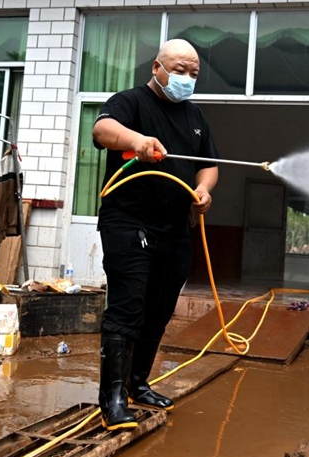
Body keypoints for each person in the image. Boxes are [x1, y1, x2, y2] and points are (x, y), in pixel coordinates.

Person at [92, 39, 219, 430]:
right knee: (128, 307)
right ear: (157, 68)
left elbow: (209, 165)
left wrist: (204, 191)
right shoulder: (130, 102)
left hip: (174, 229)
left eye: (193, 74)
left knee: (159, 310)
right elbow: (102, 130)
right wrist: (137, 141)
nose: (186, 79)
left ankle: (137, 382)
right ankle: (111, 399)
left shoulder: (195, 117)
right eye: (179, 70)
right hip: (129, 224)